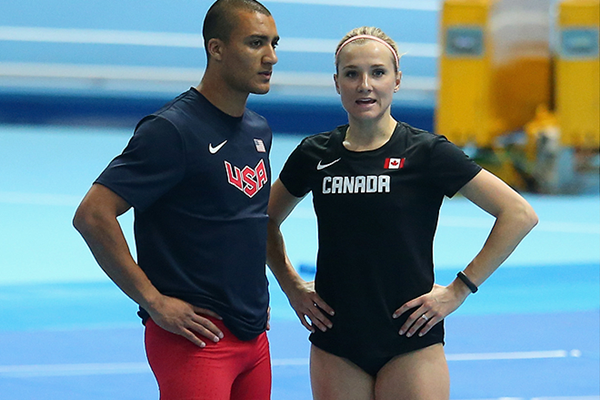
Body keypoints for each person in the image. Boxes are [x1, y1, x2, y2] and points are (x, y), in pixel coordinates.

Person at [266, 26, 538, 400]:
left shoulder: (427, 153)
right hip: (336, 343)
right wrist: (291, 285)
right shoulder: (315, 155)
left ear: (397, 80)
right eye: (352, 73)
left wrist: (459, 289)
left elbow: (518, 214)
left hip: (411, 342)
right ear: (336, 82)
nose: (365, 84)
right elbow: (261, 220)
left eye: (378, 72)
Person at [72, 1, 279, 399]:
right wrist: (153, 302)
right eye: (255, 43)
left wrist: (254, 297)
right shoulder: (171, 131)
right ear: (216, 49)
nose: (270, 57)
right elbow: (93, 215)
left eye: (273, 43)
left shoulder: (258, 129)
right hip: (196, 342)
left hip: (253, 337)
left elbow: (244, 221)